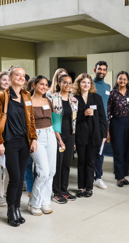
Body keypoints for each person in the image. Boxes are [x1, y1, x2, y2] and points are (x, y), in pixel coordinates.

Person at [0, 66, 37, 227]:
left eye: (23, 75)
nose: (21, 77)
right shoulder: (3, 95)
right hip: (9, 142)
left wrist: (34, 139)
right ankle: (10, 210)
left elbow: (31, 119)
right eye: (17, 75)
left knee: (20, 177)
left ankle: (17, 209)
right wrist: (0, 142)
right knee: (14, 178)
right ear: (10, 77)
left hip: (24, 141)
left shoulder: (26, 95)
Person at [73, 73, 107, 197]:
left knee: (90, 162)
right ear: (79, 84)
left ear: (91, 84)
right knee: (81, 161)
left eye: (88, 82)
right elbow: (72, 118)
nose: (86, 85)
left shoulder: (96, 98)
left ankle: (89, 188)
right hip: (80, 135)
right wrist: (84, 114)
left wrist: (104, 134)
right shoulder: (74, 98)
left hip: (94, 135)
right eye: (83, 82)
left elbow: (102, 117)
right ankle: (81, 187)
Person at [28, 75, 57, 216]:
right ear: (34, 85)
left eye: (46, 85)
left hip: (50, 134)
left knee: (51, 172)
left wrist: (59, 138)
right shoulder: (28, 101)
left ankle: (45, 202)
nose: (44, 87)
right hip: (36, 137)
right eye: (41, 84)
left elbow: (54, 120)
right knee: (43, 172)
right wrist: (32, 138)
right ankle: (34, 203)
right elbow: (27, 123)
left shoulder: (48, 100)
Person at [50, 75, 78, 204]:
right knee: (58, 164)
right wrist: (59, 139)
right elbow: (54, 121)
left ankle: (64, 190)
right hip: (58, 136)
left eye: (70, 83)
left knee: (67, 164)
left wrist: (74, 139)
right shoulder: (53, 98)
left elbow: (74, 121)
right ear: (59, 83)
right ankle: (56, 192)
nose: (67, 85)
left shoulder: (74, 100)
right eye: (65, 82)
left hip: (70, 135)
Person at [108, 71, 129, 187]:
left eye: (124, 79)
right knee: (118, 150)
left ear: (127, 81)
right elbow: (108, 111)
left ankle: (124, 175)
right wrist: (108, 129)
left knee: (126, 150)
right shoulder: (113, 93)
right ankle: (119, 177)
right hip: (117, 123)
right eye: (120, 79)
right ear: (117, 80)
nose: (122, 81)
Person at [93, 61, 110, 190]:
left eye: (104, 70)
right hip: (89, 122)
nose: (102, 72)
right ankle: (88, 176)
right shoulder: (89, 84)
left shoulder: (108, 87)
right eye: (100, 69)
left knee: (100, 152)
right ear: (95, 69)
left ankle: (98, 177)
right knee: (89, 151)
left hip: (103, 123)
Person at [24, 77, 37, 198]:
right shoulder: (25, 97)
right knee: (28, 164)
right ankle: (29, 188)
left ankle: (36, 188)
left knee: (38, 165)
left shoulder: (45, 99)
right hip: (27, 135)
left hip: (40, 135)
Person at [0, 71, 10, 206]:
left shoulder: (12, 96)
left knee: (9, 168)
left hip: (11, 138)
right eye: (3, 80)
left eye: (8, 80)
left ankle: (5, 193)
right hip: (1, 137)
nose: (6, 82)